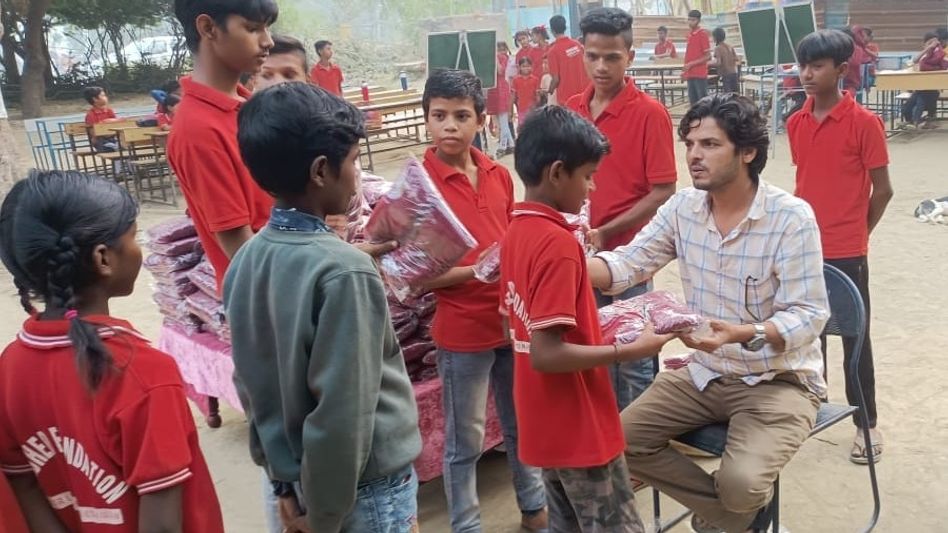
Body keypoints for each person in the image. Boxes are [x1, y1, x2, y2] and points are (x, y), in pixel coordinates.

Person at [588, 93, 829, 533]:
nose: (695, 156)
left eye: (710, 145)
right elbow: (629, 263)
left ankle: (724, 513)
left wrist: (742, 333)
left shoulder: (790, 218)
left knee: (740, 485)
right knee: (617, 441)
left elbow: (811, 315)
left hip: (777, 379)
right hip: (703, 370)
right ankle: (737, 520)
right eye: (690, 143)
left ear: (748, 152)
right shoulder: (683, 208)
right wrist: (563, 263)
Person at [225, 82, 422, 533]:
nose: (357, 172)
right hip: (360, 491)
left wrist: (282, 487)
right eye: (353, 161)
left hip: (294, 479)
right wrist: (326, 515)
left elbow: (250, 386)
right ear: (320, 171)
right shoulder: (346, 271)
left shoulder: (248, 260)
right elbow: (343, 412)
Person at [0, 170, 225, 533]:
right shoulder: (143, 373)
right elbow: (163, 526)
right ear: (103, 258)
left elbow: (24, 483)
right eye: (134, 237)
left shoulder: (10, 365)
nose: (140, 248)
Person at [503, 105, 671, 533]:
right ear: (557, 173)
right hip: (578, 424)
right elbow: (547, 352)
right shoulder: (558, 244)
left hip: (543, 420)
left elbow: (526, 326)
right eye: (588, 175)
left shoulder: (516, 232)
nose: (592, 187)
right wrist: (631, 349)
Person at [421, 69, 548, 533]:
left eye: (461, 116)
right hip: (461, 333)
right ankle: (466, 524)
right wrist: (479, 271)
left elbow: (513, 240)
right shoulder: (420, 189)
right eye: (439, 116)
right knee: (465, 440)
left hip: (509, 322)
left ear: (481, 120)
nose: (449, 126)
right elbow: (414, 278)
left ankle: (534, 506)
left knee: (521, 422)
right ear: (427, 121)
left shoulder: (498, 174)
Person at [789, 29, 894, 465]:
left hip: (848, 251)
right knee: (808, 336)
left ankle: (866, 424)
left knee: (854, 337)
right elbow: (808, 178)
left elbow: (883, 190)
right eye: (804, 65)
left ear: (841, 69)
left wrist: (858, 235)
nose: (807, 74)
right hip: (803, 247)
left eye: (817, 66)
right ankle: (813, 409)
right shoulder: (795, 122)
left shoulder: (865, 123)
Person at [565, 7, 677, 410]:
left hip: (632, 254)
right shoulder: (572, 110)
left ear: (629, 56)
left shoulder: (649, 113)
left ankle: (643, 448)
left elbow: (663, 188)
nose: (601, 66)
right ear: (582, 52)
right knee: (595, 346)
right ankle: (611, 442)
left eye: (612, 57)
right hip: (583, 254)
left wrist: (607, 230)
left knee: (634, 356)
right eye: (593, 56)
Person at [547, 14, 590, 104]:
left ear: (552, 30)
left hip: (566, 98)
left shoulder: (553, 51)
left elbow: (555, 79)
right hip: (584, 93)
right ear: (565, 27)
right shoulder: (577, 45)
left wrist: (549, 91)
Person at [913, 29, 948, 128]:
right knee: (925, 94)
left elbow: (941, 64)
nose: (934, 44)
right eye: (930, 43)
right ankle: (925, 118)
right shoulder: (927, 52)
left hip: (934, 83)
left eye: (935, 42)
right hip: (925, 85)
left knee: (925, 94)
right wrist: (928, 48)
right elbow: (915, 61)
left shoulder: (939, 52)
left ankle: (916, 120)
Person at [486, 42, 515, 158]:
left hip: (502, 90)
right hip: (494, 90)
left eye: (503, 49)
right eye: (499, 49)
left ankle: (503, 146)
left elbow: (500, 71)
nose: (501, 51)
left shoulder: (503, 58)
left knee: (503, 121)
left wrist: (495, 59)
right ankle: (511, 144)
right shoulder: (490, 59)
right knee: (500, 120)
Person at [682, 10, 712, 105]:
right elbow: (689, 54)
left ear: (698, 20)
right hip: (690, 73)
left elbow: (708, 56)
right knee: (693, 103)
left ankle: (704, 119)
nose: (690, 22)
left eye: (693, 20)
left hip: (699, 74)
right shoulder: (689, 35)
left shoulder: (702, 34)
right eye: (689, 19)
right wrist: (685, 71)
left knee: (703, 102)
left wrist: (691, 64)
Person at [82, 86, 119, 152]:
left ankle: (123, 161)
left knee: (126, 146)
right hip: (101, 142)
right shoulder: (90, 114)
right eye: (103, 96)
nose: (106, 97)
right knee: (113, 148)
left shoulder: (109, 110)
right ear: (95, 99)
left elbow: (116, 125)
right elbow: (94, 133)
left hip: (113, 138)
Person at [512, 57, 541, 126]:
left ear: (531, 67)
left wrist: (537, 107)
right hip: (521, 108)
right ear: (519, 68)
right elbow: (513, 95)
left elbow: (537, 96)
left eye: (528, 66)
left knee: (532, 126)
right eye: (523, 66)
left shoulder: (535, 80)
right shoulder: (516, 80)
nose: (526, 68)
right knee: (522, 127)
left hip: (532, 108)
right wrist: (510, 110)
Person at [711, 27, 739, 94]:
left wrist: (708, 64)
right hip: (734, 73)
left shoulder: (718, 48)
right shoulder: (730, 46)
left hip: (726, 74)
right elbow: (736, 59)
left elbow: (718, 63)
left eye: (713, 37)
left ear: (715, 37)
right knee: (735, 95)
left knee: (728, 96)